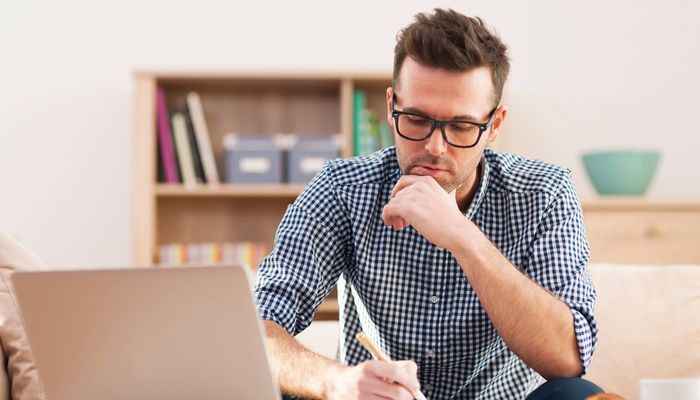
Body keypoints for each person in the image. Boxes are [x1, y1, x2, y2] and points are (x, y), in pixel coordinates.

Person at [254, 8, 601, 400]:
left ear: (495, 126)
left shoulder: (544, 192)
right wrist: (338, 383)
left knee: (575, 394)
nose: (434, 148)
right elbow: (255, 329)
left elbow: (569, 360)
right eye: (416, 120)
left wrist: (461, 236)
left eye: (461, 127)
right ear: (390, 106)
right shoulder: (342, 189)